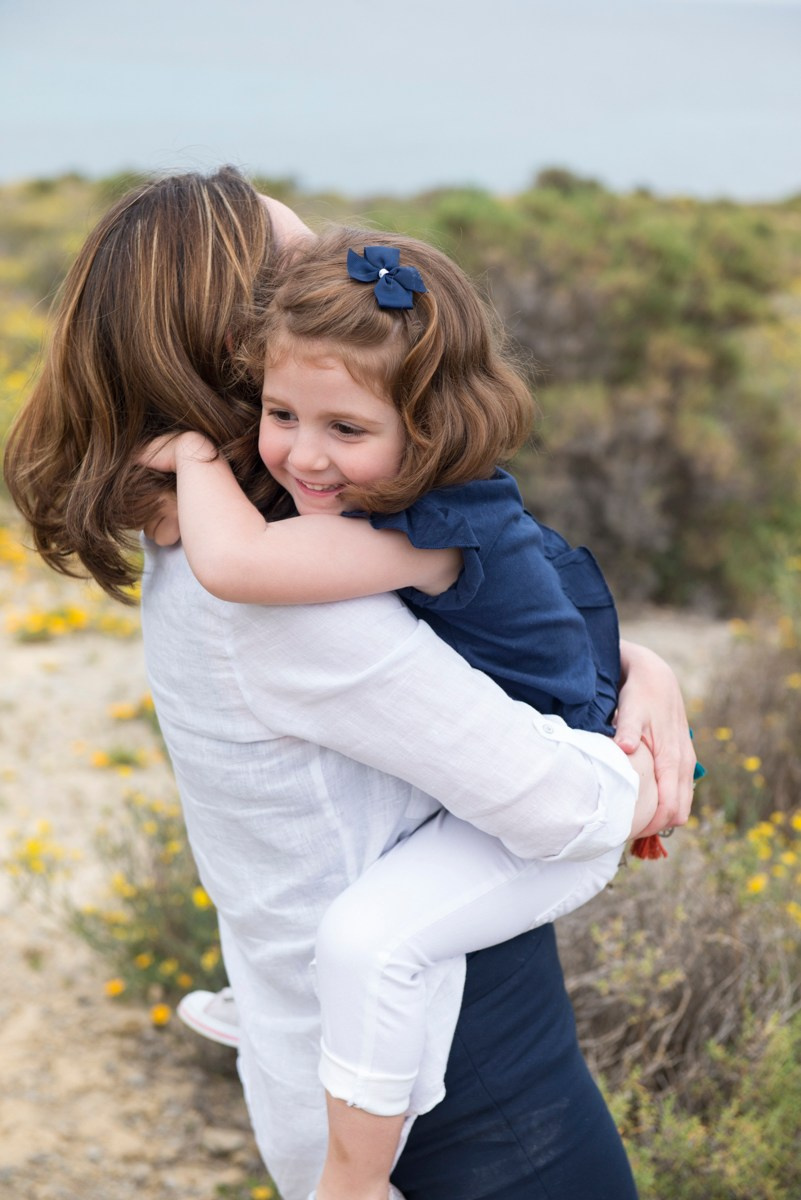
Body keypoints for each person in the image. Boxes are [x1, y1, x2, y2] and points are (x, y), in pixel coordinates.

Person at [3, 167, 697, 1200]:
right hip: (473, 1117)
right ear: (240, 357)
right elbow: (562, 805)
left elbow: (500, 627)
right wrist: (640, 761)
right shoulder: (285, 607)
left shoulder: (217, 553)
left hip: (375, 1077)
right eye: (297, 278)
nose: (333, 293)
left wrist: (647, 670)